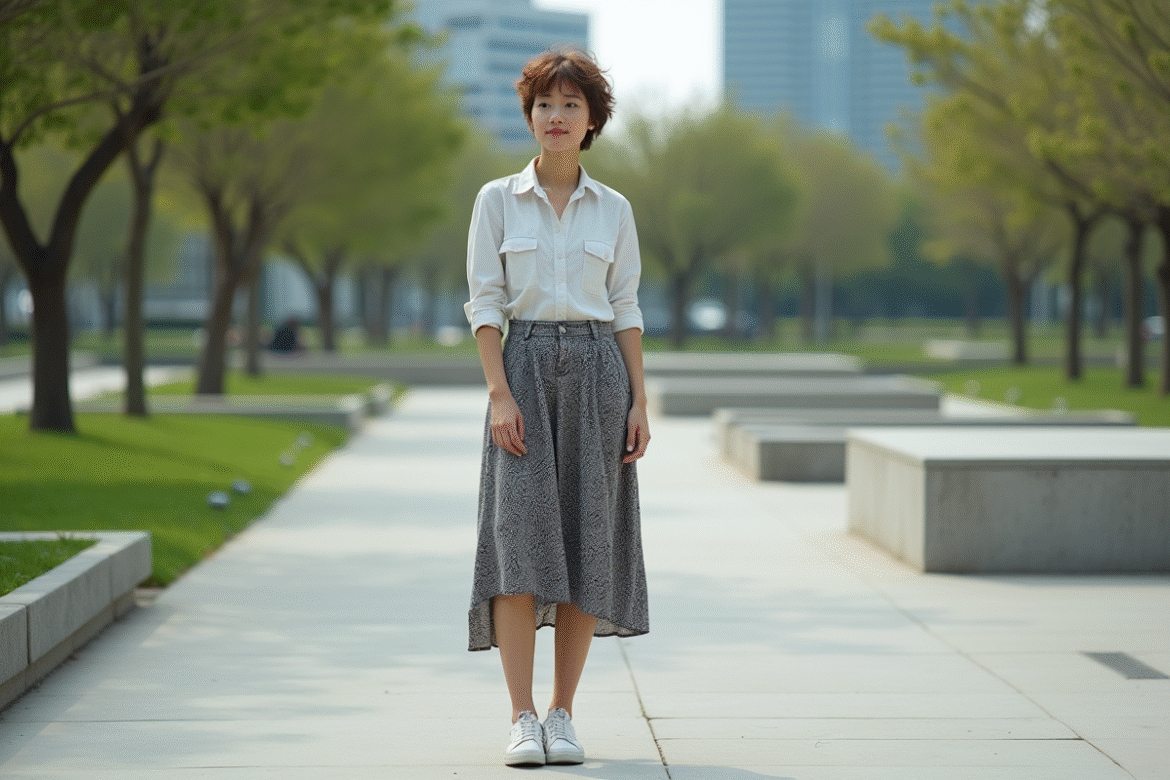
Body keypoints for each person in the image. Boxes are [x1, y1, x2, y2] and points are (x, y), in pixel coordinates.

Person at [464, 48, 651, 768]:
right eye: (545, 104)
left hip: (601, 373)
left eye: (571, 105)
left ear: (592, 120)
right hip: (525, 370)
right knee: (518, 547)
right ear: (530, 116)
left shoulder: (616, 209)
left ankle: (563, 715)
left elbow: (626, 306)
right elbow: (484, 303)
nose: (556, 117)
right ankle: (520, 718)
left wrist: (639, 398)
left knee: (584, 544)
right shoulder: (495, 201)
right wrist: (499, 394)